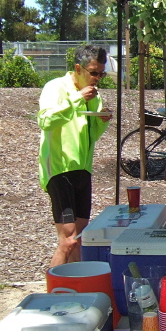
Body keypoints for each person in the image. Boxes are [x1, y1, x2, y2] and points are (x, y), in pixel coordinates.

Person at [38, 44, 112, 268]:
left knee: (79, 238)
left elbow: (91, 135)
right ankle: (53, 287)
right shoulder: (55, 87)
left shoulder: (94, 96)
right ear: (78, 68)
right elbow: (45, 121)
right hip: (60, 170)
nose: (97, 79)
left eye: (101, 74)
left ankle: (74, 284)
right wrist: (77, 99)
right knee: (67, 240)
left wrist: (102, 121)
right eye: (94, 73)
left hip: (83, 170)